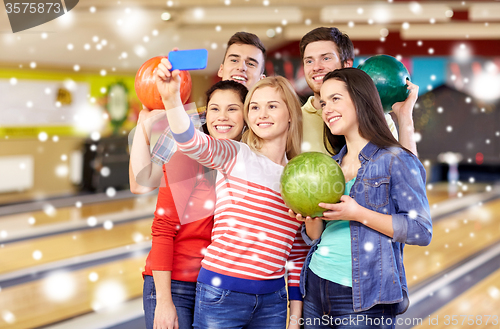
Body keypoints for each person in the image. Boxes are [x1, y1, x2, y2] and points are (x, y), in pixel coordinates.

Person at [155, 56, 308, 329]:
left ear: (291, 114)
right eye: (255, 107)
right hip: (221, 294)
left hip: (273, 301)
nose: (262, 114)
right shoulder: (236, 154)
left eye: (272, 106)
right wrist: (171, 100)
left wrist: (294, 319)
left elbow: (296, 255)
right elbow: (191, 142)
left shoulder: (298, 178)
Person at [290, 68, 432, 328]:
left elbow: (421, 230)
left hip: (364, 297)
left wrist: (358, 214)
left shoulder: (394, 159)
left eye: (335, 99)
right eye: (323, 102)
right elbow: (316, 237)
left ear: (360, 99)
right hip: (315, 287)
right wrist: (309, 216)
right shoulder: (329, 166)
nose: (327, 108)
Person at [136, 80, 249, 329]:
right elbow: (164, 227)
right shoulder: (188, 155)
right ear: (205, 114)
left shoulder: (248, 163)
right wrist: (165, 301)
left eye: (232, 109)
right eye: (214, 109)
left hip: (216, 286)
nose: (222, 117)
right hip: (176, 285)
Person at [129, 31, 267, 192]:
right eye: (234, 60)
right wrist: (144, 123)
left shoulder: (268, 127)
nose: (241, 67)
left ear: (261, 79)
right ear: (221, 70)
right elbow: (141, 185)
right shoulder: (186, 125)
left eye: (251, 63)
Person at [299, 27, 418, 156]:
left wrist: (405, 116)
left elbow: (408, 172)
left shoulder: (376, 118)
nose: (316, 67)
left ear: (347, 64)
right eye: (309, 61)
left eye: (326, 58)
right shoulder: (294, 120)